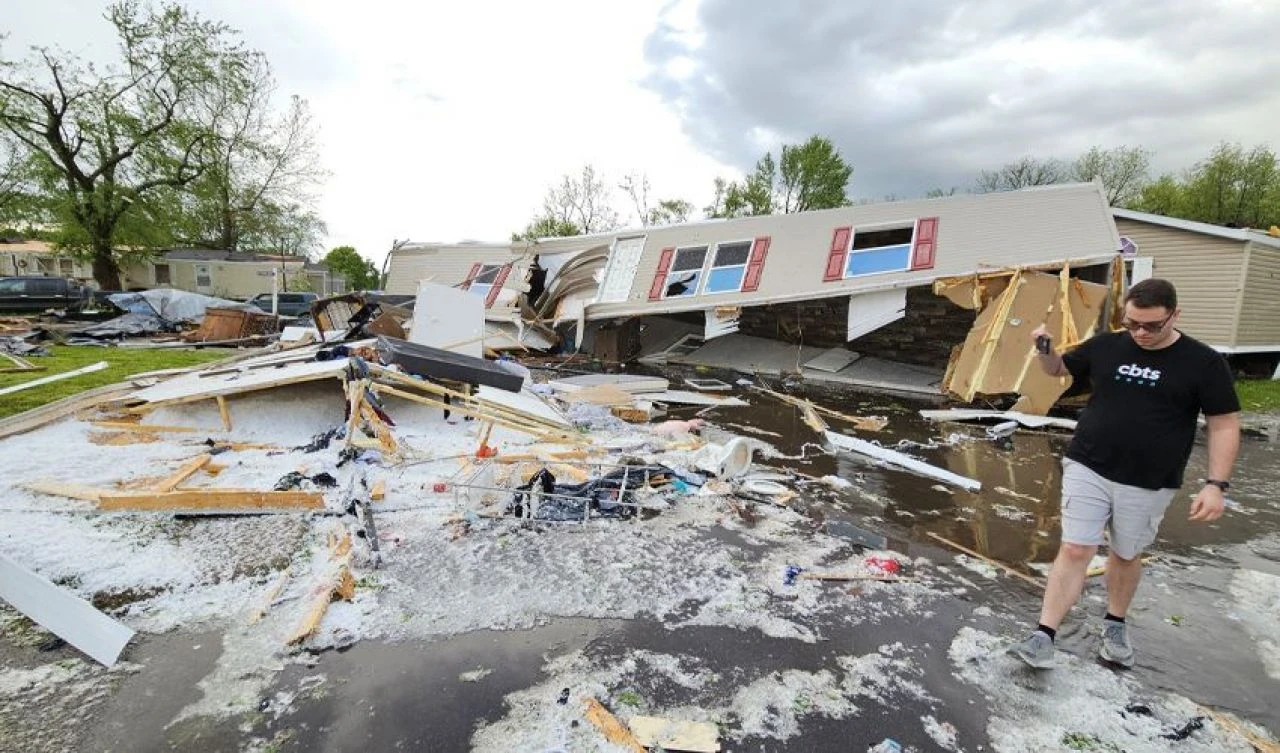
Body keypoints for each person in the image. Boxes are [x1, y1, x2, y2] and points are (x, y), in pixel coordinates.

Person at [1011, 278, 1240, 669]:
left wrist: (1216, 485)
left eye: (1151, 326)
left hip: (1149, 479)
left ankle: (1115, 622)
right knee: (1076, 547)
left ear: (1175, 316)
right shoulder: (1108, 345)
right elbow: (1057, 369)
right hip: (1089, 463)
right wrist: (1043, 349)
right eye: (1131, 323)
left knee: (1126, 553)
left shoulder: (1203, 362)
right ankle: (1043, 634)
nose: (1140, 333)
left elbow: (1223, 423)